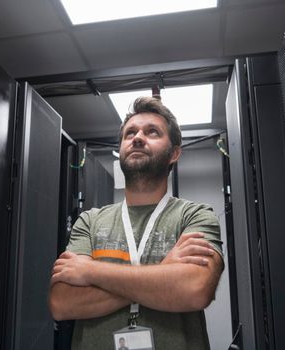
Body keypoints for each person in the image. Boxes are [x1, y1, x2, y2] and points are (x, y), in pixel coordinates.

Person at [49, 96, 224, 350]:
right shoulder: (89, 221)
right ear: (120, 149)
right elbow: (62, 303)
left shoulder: (195, 216)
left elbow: (196, 288)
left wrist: (92, 271)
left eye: (152, 132)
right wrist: (164, 274)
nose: (138, 137)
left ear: (174, 153)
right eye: (130, 133)